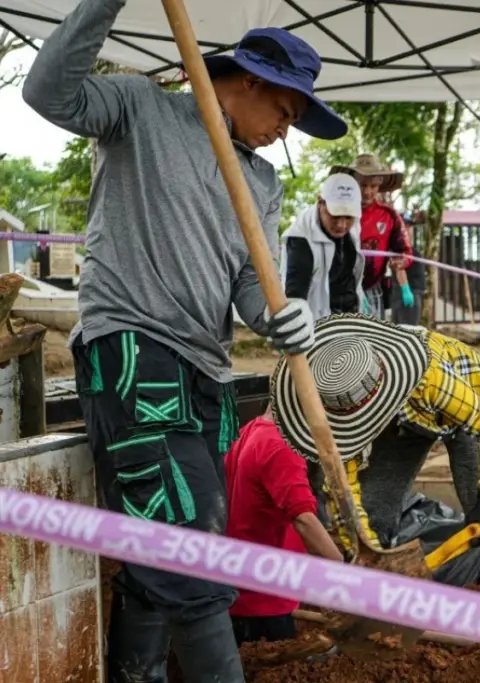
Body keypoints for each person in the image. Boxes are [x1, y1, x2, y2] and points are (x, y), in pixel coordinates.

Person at [22, 0, 337, 678]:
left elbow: (255, 289)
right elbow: (45, 92)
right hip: (133, 350)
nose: (285, 132)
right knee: (191, 548)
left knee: (163, 547)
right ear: (248, 78)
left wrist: (285, 314)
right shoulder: (144, 110)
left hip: (204, 373)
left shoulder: (260, 179)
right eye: (285, 110)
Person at [270, 314, 480, 681]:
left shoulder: (429, 376)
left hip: (463, 406)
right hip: (400, 419)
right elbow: (345, 495)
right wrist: (361, 553)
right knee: (374, 514)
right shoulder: (332, 407)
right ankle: (359, 632)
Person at [224, 406, 344, 646]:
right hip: (264, 598)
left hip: (241, 582)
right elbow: (304, 520)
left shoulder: (254, 429)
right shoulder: (282, 448)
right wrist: (343, 572)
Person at [333, 155, 414, 317]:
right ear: (351, 182)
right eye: (361, 185)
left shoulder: (389, 216)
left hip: (373, 290)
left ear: (380, 185)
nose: (367, 192)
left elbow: (404, 252)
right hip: (338, 290)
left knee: (372, 340)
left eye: (373, 186)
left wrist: (401, 262)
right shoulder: (336, 211)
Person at [281, 172, 365, 319]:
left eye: (348, 217)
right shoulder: (301, 238)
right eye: (335, 215)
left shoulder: (354, 225)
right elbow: (295, 297)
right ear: (320, 202)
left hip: (350, 314)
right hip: (318, 322)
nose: (342, 225)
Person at [389, 221, 427, 325]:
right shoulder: (400, 248)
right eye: (405, 227)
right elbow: (399, 268)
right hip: (408, 294)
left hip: (410, 293)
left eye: (409, 227)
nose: (408, 230)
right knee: (408, 331)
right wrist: (405, 289)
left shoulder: (407, 248)